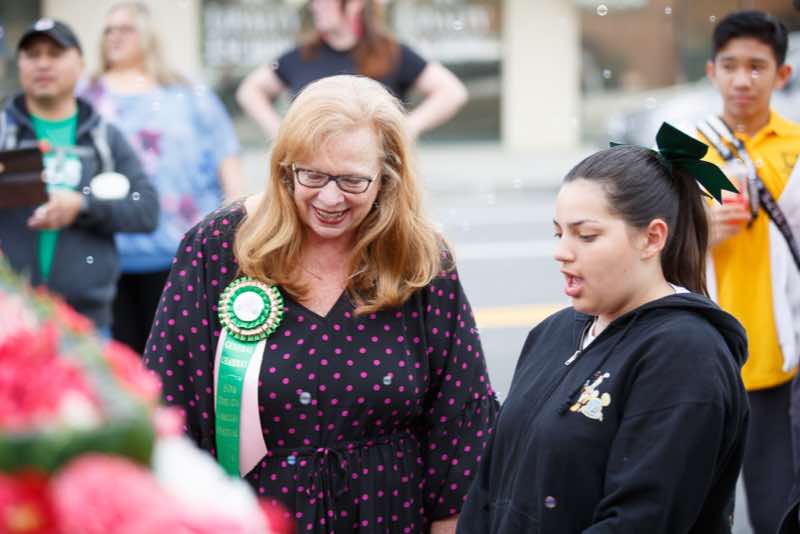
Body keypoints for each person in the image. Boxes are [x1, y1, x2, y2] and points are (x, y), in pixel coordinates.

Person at [144, 75, 498, 534]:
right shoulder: (218, 247)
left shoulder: (420, 259)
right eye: (311, 175)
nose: (330, 198)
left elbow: (460, 429)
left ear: (388, 174)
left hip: (389, 516)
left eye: (352, 180)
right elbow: (169, 405)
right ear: (284, 168)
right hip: (256, 519)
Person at [457, 124, 749, 533]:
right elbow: (489, 487)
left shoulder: (686, 355)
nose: (561, 252)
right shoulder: (553, 332)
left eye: (586, 235)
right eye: (559, 233)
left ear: (652, 238)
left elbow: (641, 519)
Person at [79, 1, 245, 355]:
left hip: (178, 252)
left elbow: (226, 160)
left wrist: (236, 231)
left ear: (148, 35)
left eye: (125, 29)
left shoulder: (188, 94)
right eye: (108, 30)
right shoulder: (85, 96)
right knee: (117, 363)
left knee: (172, 358)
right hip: (105, 251)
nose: (114, 37)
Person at [697, 12, 800, 534]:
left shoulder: (796, 147)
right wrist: (699, 232)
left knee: (774, 509)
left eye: (757, 67)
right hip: (699, 359)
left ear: (782, 75)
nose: (742, 79)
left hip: (777, 357)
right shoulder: (685, 149)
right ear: (712, 71)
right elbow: (647, 245)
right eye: (731, 65)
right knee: (690, 508)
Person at [0, 18, 158, 334]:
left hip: (86, 324)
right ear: (20, 64)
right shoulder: (3, 132)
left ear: (81, 63)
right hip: (9, 319)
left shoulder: (104, 138)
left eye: (55, 53)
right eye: (32, 55)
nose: (43, 63)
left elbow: (146, 211)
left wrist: (82, 206)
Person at [236, 0, 467, 141]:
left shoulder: (391, 53)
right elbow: (249, 90)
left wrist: (407, 129)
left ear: (355, 3)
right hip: (311, 180)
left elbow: (452, 91)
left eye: (324, 1)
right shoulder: (301, 55)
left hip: (377, 179)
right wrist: (280, 133)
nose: (315, 6)